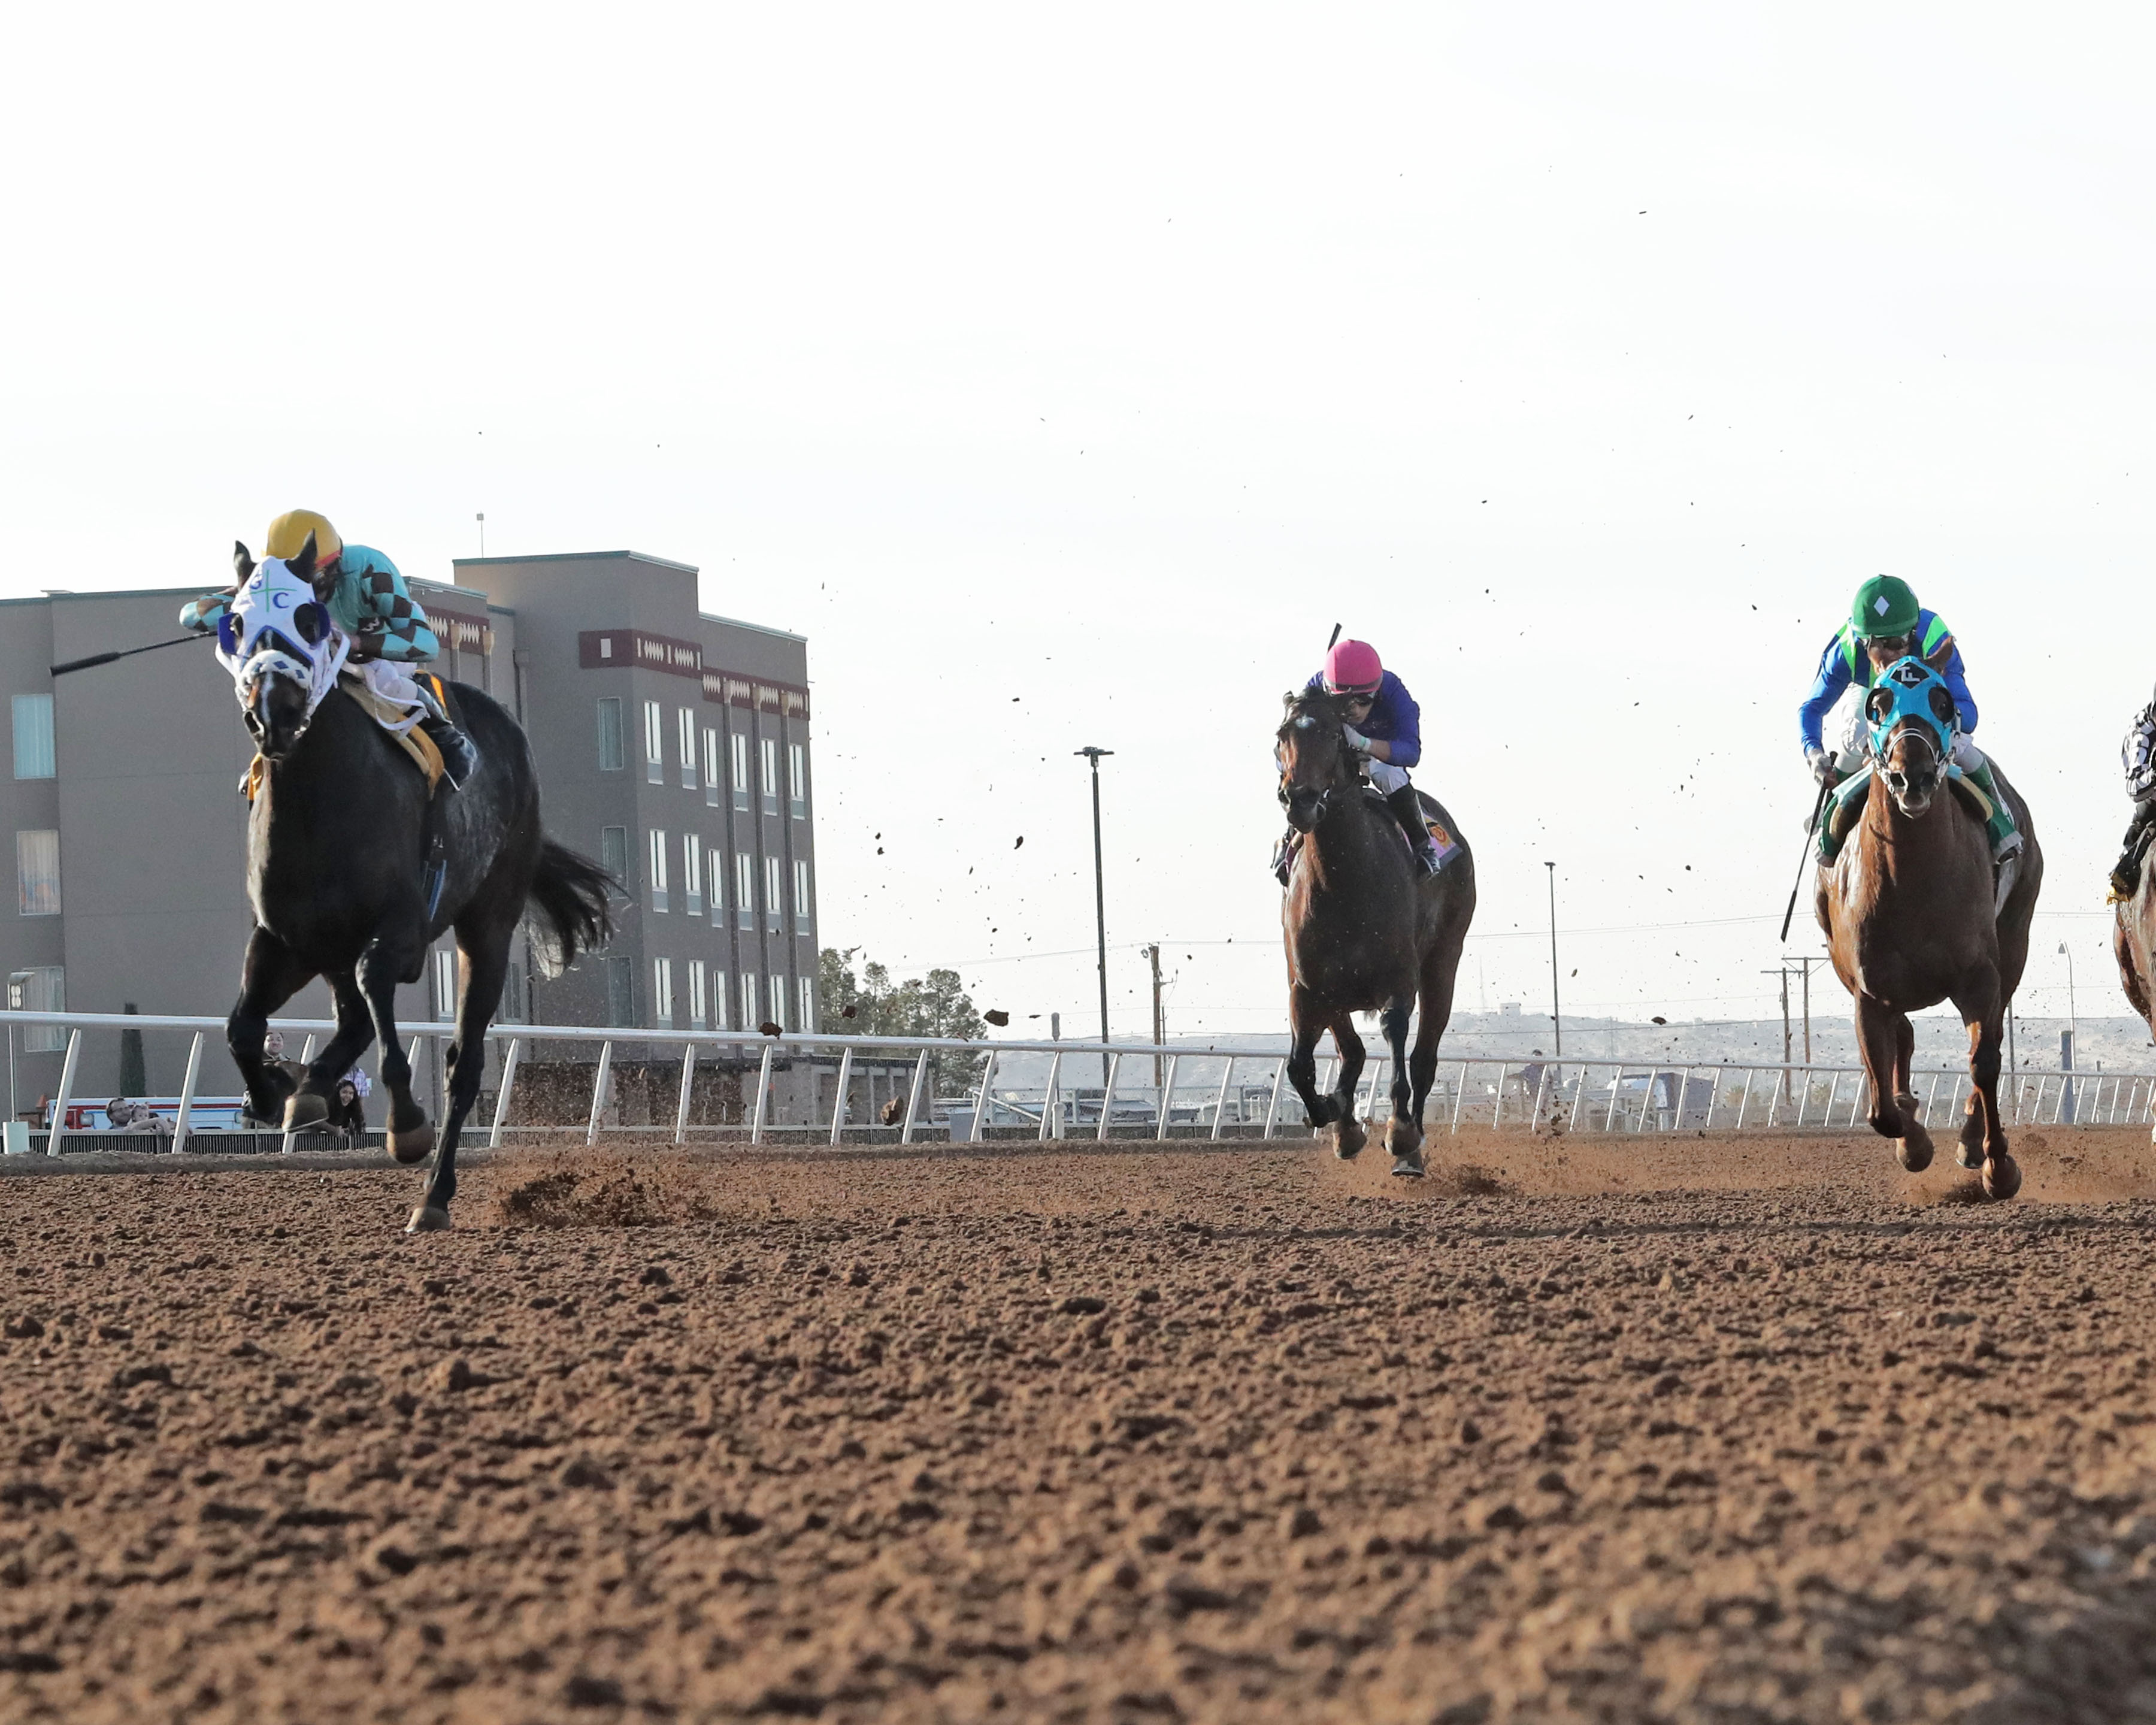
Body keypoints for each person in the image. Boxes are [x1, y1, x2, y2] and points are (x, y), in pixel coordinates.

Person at [180, 509, 480, 786]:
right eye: (298, 577)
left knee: (384, 679)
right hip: (317, 657)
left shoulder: (369, 568)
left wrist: (359, 644)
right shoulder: (269, 585)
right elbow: (191, 615)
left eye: (317, 577)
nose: (310, 587)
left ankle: (443, 732)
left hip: (379, 650)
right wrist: (244, 603)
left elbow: (426, 644)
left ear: (335, 564)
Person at [1797, 574, 2020, 870]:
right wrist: (1814, 754)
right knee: (1855, 733)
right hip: (1873, 693)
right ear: (1864, 642)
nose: (1892, 655)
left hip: (1926, 696)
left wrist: (1942, 728)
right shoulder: (1844, 652)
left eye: (1900, 642)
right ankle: (1828, 819)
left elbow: (1968, 714)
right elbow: (1812, 709)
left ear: (1913, 631)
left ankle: (2000, 822)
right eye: (1880, 645)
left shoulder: (1934, 638)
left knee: (1962, 744)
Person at [1277, 638, 1443, 881]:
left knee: (1388, 775)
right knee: (1295, 769)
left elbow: (1411, 752)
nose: (1354, 708)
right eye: (1343, 702)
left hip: (1380, 754)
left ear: (1378, 690)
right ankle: (1288, 840)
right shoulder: (1316, 686)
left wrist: (1364, 744)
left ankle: (1423, 846)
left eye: (1364, 700)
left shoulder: (1394, 691)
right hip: (1335, 757)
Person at [2112, 691, 2156, 898]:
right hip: (2152, 794)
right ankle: (2127, 869)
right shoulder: (2143, 730)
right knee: (2145, 819)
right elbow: (2133, 786)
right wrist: (2154, 775)